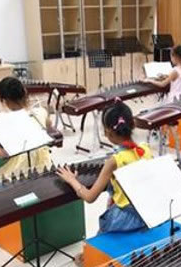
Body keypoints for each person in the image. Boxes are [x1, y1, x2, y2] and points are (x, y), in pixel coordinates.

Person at [57, 99, 152, 233]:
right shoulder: (145, 149)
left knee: (101, 231)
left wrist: (72, 180)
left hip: (127, 219)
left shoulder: (114, 161)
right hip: (149, 212)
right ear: (133, 125)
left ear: (108, 132)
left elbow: (90, 197)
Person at [0, 77, 52, 180]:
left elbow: (3, 155)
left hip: (20, 171)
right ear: (25, 93)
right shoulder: (40, 111)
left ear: (3, 100)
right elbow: (49, 124)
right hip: (45, 166)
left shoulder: (5, 122)